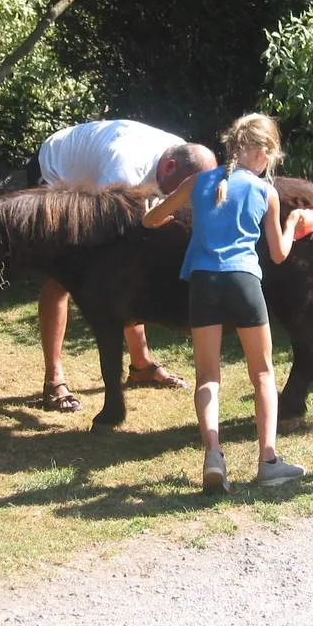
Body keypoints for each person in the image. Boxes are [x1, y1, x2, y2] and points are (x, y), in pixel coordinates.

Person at [143, 113, 309, 494]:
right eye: (270, 155)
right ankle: (268, 461)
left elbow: (151, 220)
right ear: (261, 152)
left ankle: (213, 456)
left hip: (203, 283)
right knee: (263, 373)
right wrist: (293, 224)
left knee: (208, 377)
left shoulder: (197, 181)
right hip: (244, 282)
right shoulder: (266, 193)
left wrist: (158, 212)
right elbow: (279, 254)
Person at [28, 119, 218, 412]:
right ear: (168, 168)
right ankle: (54, 380)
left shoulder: (181, 156)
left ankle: (141, 365)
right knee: (62, 276)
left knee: (131, 265)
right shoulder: (124, 167)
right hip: (57, 172)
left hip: (100, 174)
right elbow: (103, 227)